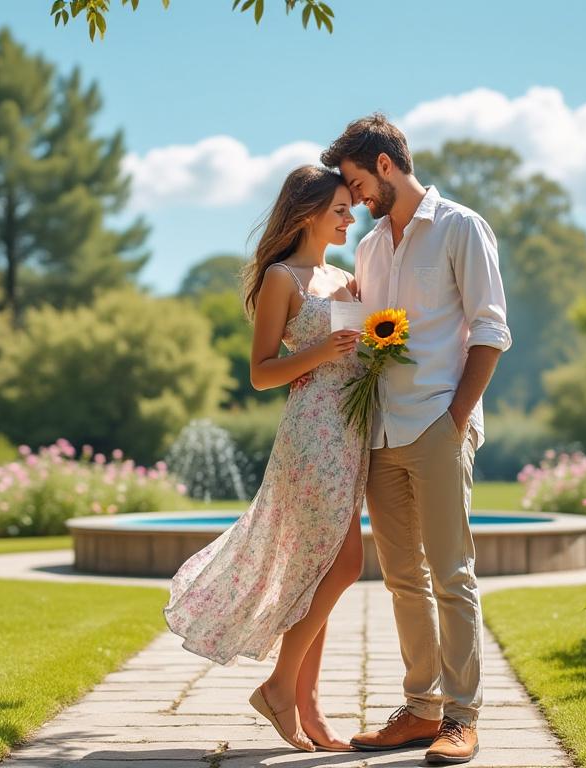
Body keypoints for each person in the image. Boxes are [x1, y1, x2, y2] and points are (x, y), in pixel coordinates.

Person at [321, 113, 511, 766]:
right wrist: (341, 300)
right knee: (404, 577)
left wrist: (455, 420)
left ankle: (463, 716)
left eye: (355, 182)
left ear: (384, 164)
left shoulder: (461, 227)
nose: (354, 199)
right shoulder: (370, 248)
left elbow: (490, 330)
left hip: (436, 422)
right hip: (380, 427)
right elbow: (362, 334)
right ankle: (421, 708)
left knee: (452, 575)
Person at [164, 165, 367, 753]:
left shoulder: (346, 280)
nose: (348, 218)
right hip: (311, 435)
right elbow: (259, 374)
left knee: (320, 570)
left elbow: (358, 357)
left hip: (351, 431)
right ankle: (280, 688)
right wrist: (324, 349)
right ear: (306, 212)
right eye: (338, 209)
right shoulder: (283, 278)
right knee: (344, 563)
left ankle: (307, 704)